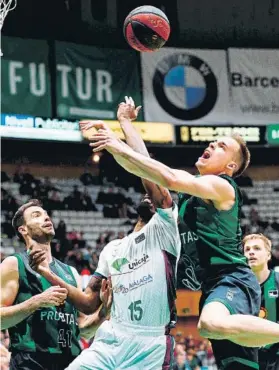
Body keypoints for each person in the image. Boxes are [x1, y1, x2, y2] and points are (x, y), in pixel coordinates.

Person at [85, 96, 279, 370]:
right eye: (213, 141)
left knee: (210, 324)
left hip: (232, 280)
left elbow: (170, 177)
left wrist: (116, 143)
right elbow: (145, 168)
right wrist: (125, 125)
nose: (212, 144)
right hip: (212, 287)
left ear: (230, 167)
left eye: (221, 146)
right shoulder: (188, 201)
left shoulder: (224, 188)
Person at [29, 102, 182, 370]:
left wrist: (124, 125)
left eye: (156, 192)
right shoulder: (112, 248)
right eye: (146, 190)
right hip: (110, 339)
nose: (150, 192)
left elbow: (148, 169)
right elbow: (88, 304)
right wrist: (45, 271)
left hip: (149, 345)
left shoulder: (165, 230)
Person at [0, 199, 112, 370]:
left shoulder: (70, 272)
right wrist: (36, 302)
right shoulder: (14, 264)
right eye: (37, 215)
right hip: (30, 361)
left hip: (70, 361)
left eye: (46, 214)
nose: (46, 218)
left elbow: (82, 329)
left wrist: (103, 313)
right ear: (23, 229)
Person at [243, 233, 279, 370]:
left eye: (257, 248)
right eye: (247, 249)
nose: (251, 252)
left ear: (268, 255)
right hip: (247, 358)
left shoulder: (277, 281)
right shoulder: (237, 287)